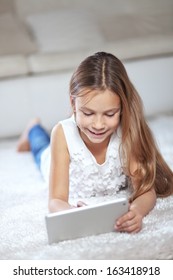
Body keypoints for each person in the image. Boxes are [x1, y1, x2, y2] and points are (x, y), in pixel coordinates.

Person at [17, 52, 173, 233]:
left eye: (109, 114)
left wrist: (136, 212)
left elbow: (146, 191)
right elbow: (55, 200)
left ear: (122, 109)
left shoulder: (127, 133)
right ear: (73, 103)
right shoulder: (62, 133)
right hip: (51, 159)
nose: (98, 125)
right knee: (40, 148)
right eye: (88, 113)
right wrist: (71, 212)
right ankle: (33, 127)